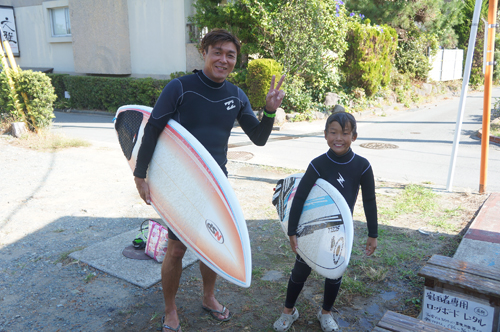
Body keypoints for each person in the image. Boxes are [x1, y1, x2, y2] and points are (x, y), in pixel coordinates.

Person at [133, 29, 285, 332]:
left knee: (212, 245)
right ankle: (170, 309)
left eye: (230, 55)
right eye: (218, 52)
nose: (223, 59)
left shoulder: (236, 95)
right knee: (176, 250)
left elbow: (258, 138)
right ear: (205, 52)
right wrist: (140, 174)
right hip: (181, 184)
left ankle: (209, 296)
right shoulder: (180, 88)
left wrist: (269, 111)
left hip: (216, 186)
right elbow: (153, 129)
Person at [273, 112, 378, 332]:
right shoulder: (318, 164)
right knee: (300, 271)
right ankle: (288, 311)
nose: (338, 138)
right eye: (333, 132)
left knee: (335, 273)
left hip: (338, 232)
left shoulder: (362, 166)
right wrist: (292, 230)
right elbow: (300, 197)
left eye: (345, 133)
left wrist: (373, 234)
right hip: (313, 229)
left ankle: (326, 313)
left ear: (354, 136)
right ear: (325, 135)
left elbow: (369, 200)